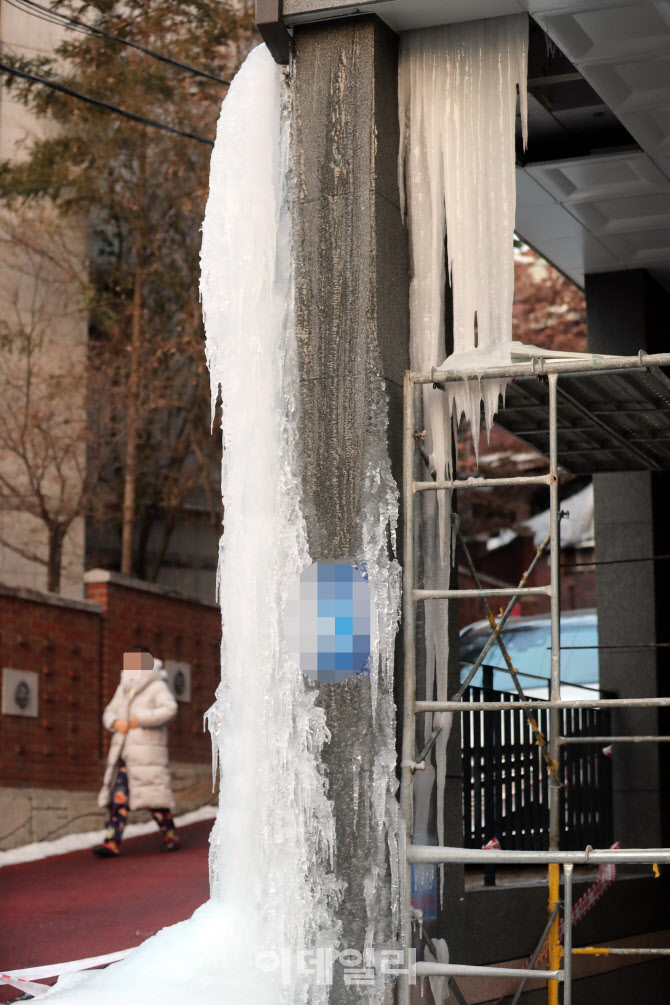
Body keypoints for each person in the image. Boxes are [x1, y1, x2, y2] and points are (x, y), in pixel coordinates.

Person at [93, 646, 180, 857]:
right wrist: (115, 722)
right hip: (124, 752)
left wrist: (140, 719)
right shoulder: (124, 686)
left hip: (147, 753)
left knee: (153, 798)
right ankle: (112, 841)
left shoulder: (156, 685)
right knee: (119, 797)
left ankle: (169, 833)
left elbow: (170, 708)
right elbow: (109, 711)